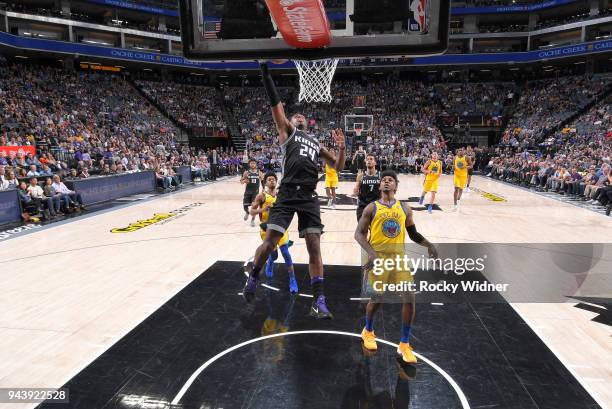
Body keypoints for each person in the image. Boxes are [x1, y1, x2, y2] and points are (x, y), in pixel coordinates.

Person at [242, 62, 346, 320]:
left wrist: (343, 148)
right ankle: (253, 276)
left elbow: (337, 166)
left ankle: (318, 300)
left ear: (307, 122)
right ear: (289, 121)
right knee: (270, 243)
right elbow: (276, 105)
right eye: (294, 115)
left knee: (314, 248)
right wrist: (266, 73)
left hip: (309, 196)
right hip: (287, 193)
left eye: (301, 116)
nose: (298, 116)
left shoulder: (315, 142)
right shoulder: (287, 132)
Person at [354, 170, 437, 363]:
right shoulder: (371, 208)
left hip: (399, 259)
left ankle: (405, 344)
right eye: (383, 180)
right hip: (379, 259)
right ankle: (368, 330)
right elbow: (358, 234)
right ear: (379, 186)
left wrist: (429, 245)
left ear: (396, 186)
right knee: (377, 299)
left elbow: (413, 233)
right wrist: (371, 253)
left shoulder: (405, 209)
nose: (386, 182)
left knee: (409, 298)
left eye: (390, 180)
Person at [250, 172, 298, 293]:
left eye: (273, 179)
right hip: (266, 229)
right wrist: (263, 209)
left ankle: (293, 279)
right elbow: (252, 211)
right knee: (274, 254)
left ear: (276, 182)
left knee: (285, 252)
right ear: (265, 183)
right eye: (269, 179)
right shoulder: (261, 196)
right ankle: (271, 261)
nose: (271, 181)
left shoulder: (281, 195)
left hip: (280, 226)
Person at [353, 153, 380, 221]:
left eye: (371, 159)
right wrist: (358, 184)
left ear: (375, 162)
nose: (369, 161)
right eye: (367, 159)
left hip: (377, 206)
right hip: (363, 206)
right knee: (361, 230)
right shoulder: (361, 176)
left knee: (375, 230)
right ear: (365, 162)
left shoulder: (380, 176)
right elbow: (355, 192)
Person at [241, 159, 263, 227]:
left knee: (254, 207)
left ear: (256, 164)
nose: (252, 164)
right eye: (251, 163)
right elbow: (241, 181)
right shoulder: (246, 172)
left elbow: (263, 181)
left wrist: (264, 189)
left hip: (255, 193)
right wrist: (244, 181)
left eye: (254, 163)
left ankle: (252, 220)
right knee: (245, 207)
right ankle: (247, 212)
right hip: (247, 192)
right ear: (249, 164)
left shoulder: (259, 172)